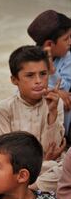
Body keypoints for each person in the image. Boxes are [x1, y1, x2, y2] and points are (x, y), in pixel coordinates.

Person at [0, 45, 65, 192]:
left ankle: (29, 190)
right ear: (15, 80)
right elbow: (7, 154)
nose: (38, 81)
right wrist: (43, 160)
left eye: (43, 74)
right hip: (20, 171)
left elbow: (53, 147)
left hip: (49, 171)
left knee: (60, 168)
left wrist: (52, 112)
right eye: (30, 75)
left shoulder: (56, 104)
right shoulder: (4, 109)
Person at [27, 10, 71, 142]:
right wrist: (55, 92)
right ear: (49, 44)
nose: (70, 42)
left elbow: (67, 86)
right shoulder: (29, 61)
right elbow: (24, 91)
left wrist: (52, 71)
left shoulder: (67, 57)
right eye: (66, 39)